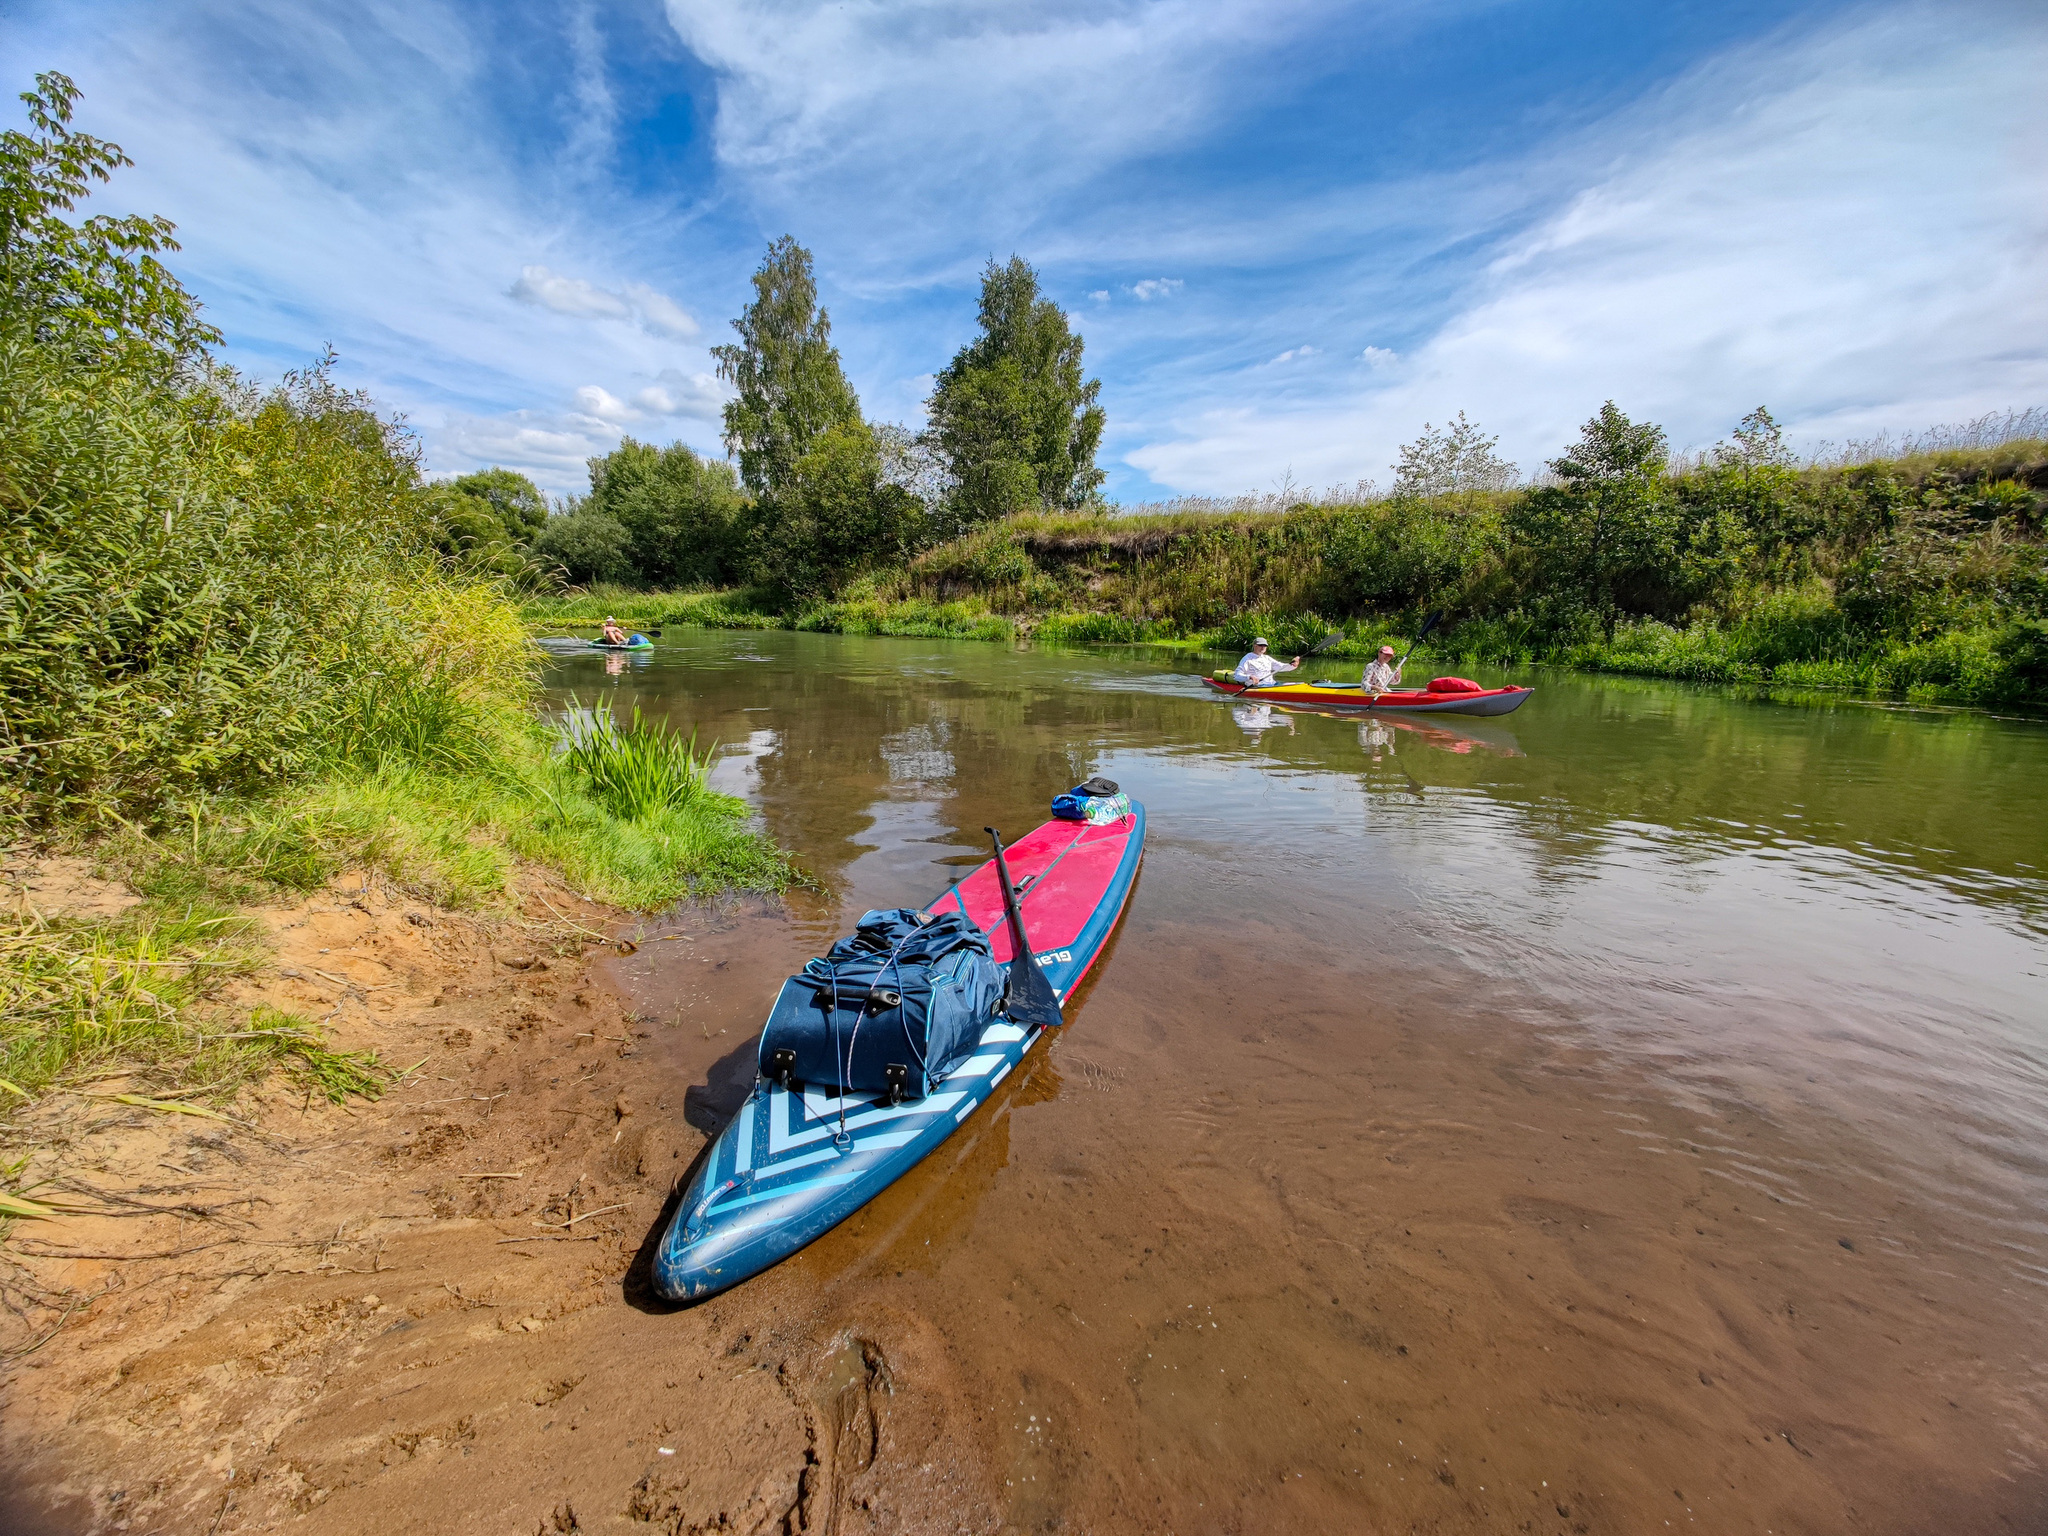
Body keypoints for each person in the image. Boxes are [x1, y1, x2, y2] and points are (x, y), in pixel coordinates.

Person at [1233, 637, 1301, 688]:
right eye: (1260, 645)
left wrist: (1293, 665)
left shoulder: (1267, 658)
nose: (1263, 647)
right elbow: (1237, 675)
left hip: (1271, 684)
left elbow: (1281, 667)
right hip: (1257, 686)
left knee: (1299, 684)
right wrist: (1249, 677)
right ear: (1254, 646)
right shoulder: (1247, 658)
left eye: (1265, 645)